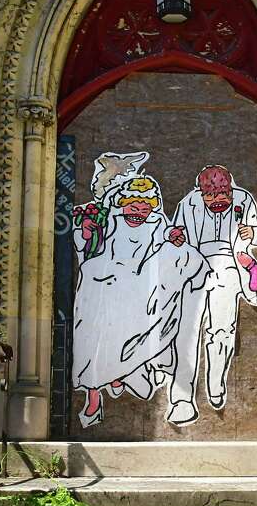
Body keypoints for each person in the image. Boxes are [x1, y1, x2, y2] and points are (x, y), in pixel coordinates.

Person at [72, 159, 209, 428]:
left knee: (135, 331)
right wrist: (87, 233)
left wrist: (176, 240)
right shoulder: (109, 221)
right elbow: (88, 250)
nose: (139, 211)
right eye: (133, 205)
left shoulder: (156, 222)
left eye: (145, 206)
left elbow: (169, 240)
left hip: (137, 295)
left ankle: (119, 373)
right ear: (123, 204)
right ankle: (93, 396)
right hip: (104, 292)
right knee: (93, 338)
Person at [172, 165, 257, 410]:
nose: (217, 200)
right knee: (187, 332)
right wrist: (176, 237)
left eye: (223, 194)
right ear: (200, 192)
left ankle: (216, 384)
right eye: (210, 195)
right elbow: (176, 233)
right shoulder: (187, 204)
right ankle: (182, 398)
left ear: (230, 190)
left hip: (229, 267)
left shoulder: (244, 200)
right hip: (196, 268)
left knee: (223, 331)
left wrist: (251, 232)